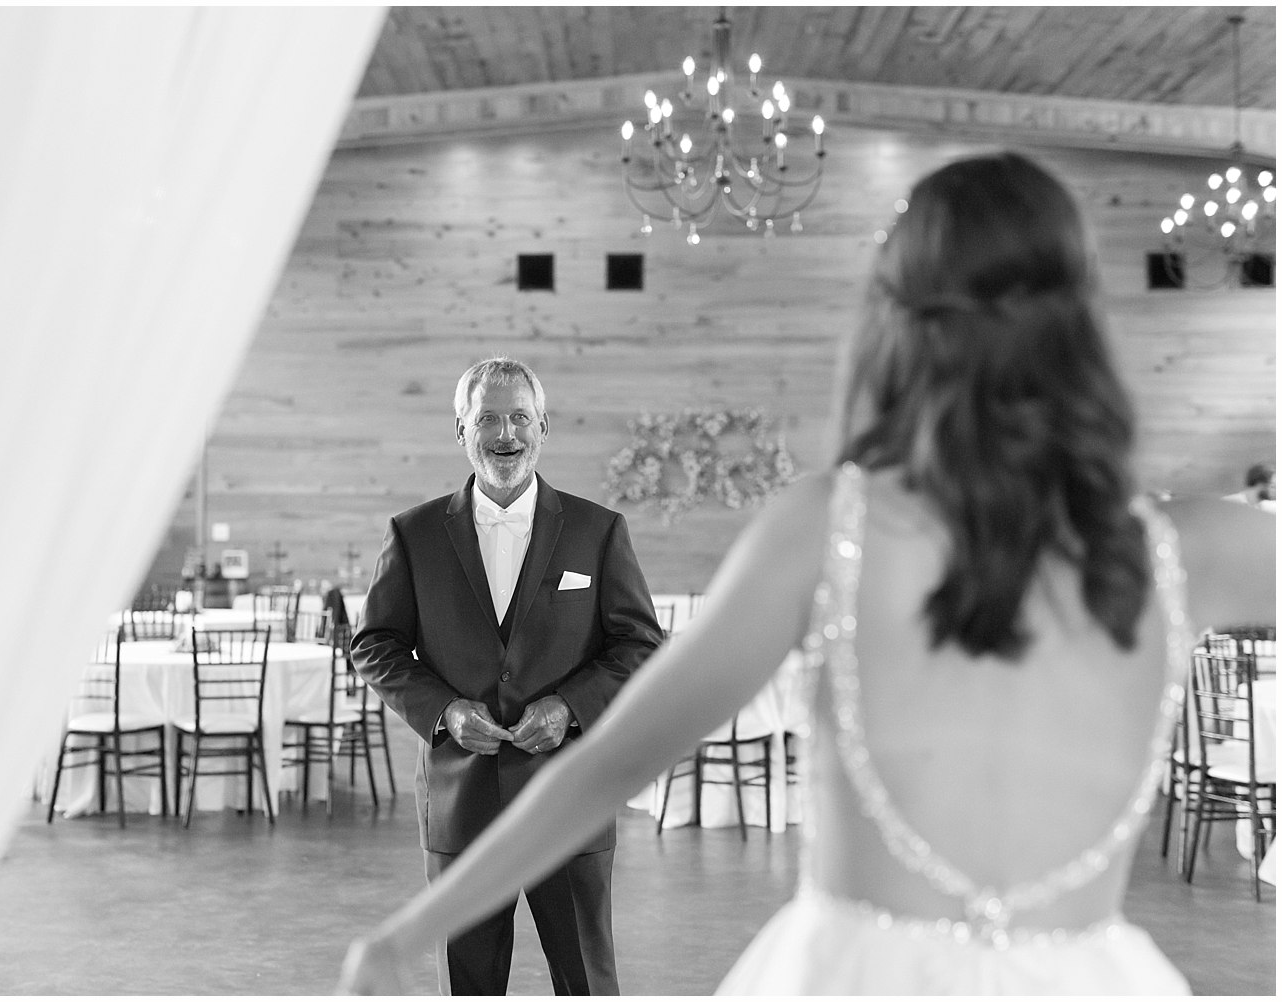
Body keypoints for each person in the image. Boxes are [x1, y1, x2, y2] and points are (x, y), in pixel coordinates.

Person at [338, 152, 1276, 995]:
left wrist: (402, 937)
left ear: (893, 321)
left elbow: (609, 767)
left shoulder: (828, 532)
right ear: (1084, 324)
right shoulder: (1196, 547)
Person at [349, 356, 664, 995]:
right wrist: (443, 712)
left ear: (543, 426)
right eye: (487, 418)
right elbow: (375, 644)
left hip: (569, 796)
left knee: (587, 984)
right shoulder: (412, 536)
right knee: (469, 986)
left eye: (520, 416)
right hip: (460, 802)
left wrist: (570, 708)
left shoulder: (598, 531)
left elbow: (639, 645)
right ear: (459, 429)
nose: (505, 433)